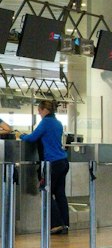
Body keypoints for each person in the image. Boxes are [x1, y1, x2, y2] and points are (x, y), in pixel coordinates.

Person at [23, 99, 70, 233]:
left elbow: (32, 138)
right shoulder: (58, 123)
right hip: (63, 161)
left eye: (39, 111)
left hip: (53, 163)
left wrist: (22, 136)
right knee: (60, 194)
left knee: (46, 191)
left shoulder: (46, 122)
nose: (39, 113)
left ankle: (56, 224)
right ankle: (65, 224)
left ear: (45, 110)